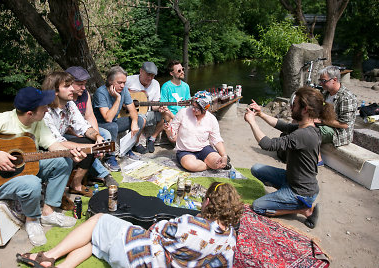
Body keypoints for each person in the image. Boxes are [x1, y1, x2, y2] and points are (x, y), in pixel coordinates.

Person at [0, 87, 87, 246]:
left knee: (64, 161)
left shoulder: (38, 122)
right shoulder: (2, 120)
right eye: (44, 107)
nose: (47, 109)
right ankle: (32, 221)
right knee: (32, 183)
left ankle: (48, 212)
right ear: (30, 113)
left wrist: (71, 152)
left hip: (25, 169)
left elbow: (53, 145)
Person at [17, 182, 244, 268]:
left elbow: (156, 230)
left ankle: (49, 255)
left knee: (100, 221)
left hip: (142, 259)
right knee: (97, 243)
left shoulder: (189, 224)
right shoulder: (231, 240)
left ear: (207, 202)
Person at [244, 86, 336, 229]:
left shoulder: (303, 135)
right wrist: (261, 114)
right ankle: (285, 198)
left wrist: (252, 122)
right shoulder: (308, 127)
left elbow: (267, 144)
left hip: (300, 192)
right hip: (292, 180)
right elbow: (283, 125)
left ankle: (303, 209)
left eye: (295, 105)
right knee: (257, 169)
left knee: (257, 206)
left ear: (305, 109)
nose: (291, 107)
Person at [42, 71, 106, 197]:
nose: (72, 89)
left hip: (58, 142)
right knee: (86, 148)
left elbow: (83, 126)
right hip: (42, 148)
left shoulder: (69, 104)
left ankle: (75, 185)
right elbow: (56, 142)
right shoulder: (44, 110)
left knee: (91, 141)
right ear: (54, 91)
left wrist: (98, 137)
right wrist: (89, 148)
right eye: (67, 86)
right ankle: (52, 189)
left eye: (71, 85)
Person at [63, 66, 118, 187]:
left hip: (82, 128)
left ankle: (105, 159)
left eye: (85, 84)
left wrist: (97, 135)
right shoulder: (64, 100)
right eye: (80, 84)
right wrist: (76, 133)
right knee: (88, 143)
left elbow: (89, 116)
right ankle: (104, 174)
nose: (84, 87)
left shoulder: (84, 94)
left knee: (105, 135)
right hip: (66, 133)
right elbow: (62, 126)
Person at [92, 66, 146, 172]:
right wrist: (118, 99)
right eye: (119, 82)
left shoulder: (124, 90)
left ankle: (126, 149)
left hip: (114, 122)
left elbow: (132, 109)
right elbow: (108, 118)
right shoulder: (101, 92)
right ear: (110, 81)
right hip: (99, 125)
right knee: (112, 126)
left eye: (124, 83)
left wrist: (134, 122)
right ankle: (110, 157)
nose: (122, 86)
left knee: (139, 119)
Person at [163, 91, 229, 172]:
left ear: (205, 108)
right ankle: (209, 165)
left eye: (197, 108)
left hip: (204, 148)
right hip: (185, 150)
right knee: (190, 165)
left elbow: (216, 139)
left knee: (218, 162)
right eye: (193, 106)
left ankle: (212, 164)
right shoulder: (183, 113)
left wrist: (224, 155)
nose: (193, 109)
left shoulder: (211, 119)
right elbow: (172, 136)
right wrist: (168, 131)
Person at [126, 61, 174, 153]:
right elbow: (119, 90)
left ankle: (152, 138)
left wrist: (160, 108)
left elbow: (154, 105)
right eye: (148, 75)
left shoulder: (155, 84)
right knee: (142, 118)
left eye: (152, 76)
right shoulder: (129, 80)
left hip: (148, 112)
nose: (150, 78)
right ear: (141, 71)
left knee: (165, 114)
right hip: (131, 113)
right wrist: (131, 93)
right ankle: (136, 144)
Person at [317, 66, 358, 165]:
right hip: (325, 124)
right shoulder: (325, 93)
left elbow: (344, 125)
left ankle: (318, 159)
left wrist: (321, 121)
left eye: (323, 81)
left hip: (339, 132)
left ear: (334, 80)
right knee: (299, 122)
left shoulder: (346, 97)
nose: (321, 83)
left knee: (310, 130)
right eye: (320, 80)